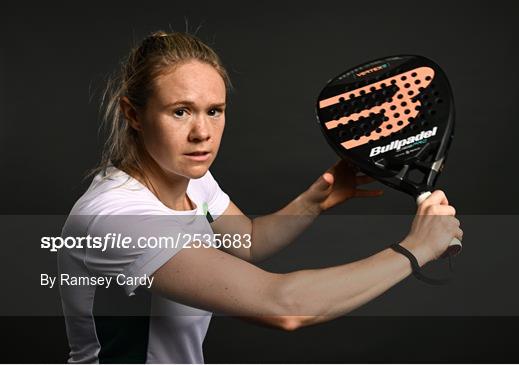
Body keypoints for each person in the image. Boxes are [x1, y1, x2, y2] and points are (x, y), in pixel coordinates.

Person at [58, 31, 463, 364]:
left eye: (214, 111)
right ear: (133, 114)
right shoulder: (116, 220)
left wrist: (313, 203)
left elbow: (246, 241)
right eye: (180, 111)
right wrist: (414, 250)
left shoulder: (189, 177)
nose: (202, 133)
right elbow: (284, 306)